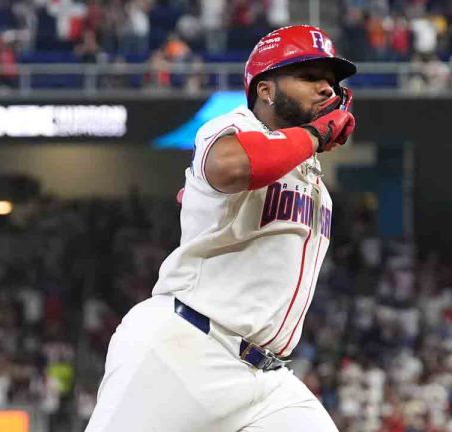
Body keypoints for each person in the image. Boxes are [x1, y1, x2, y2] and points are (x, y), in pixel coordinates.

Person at [85, 25, 357, 431]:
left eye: (331, 82)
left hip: (266, 379)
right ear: (265, 89)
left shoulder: (310, 174)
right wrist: (315, 134)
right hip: (187, 349)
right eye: (309, 77)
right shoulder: (233, 126)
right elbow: (231, 165)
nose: (326, 90)